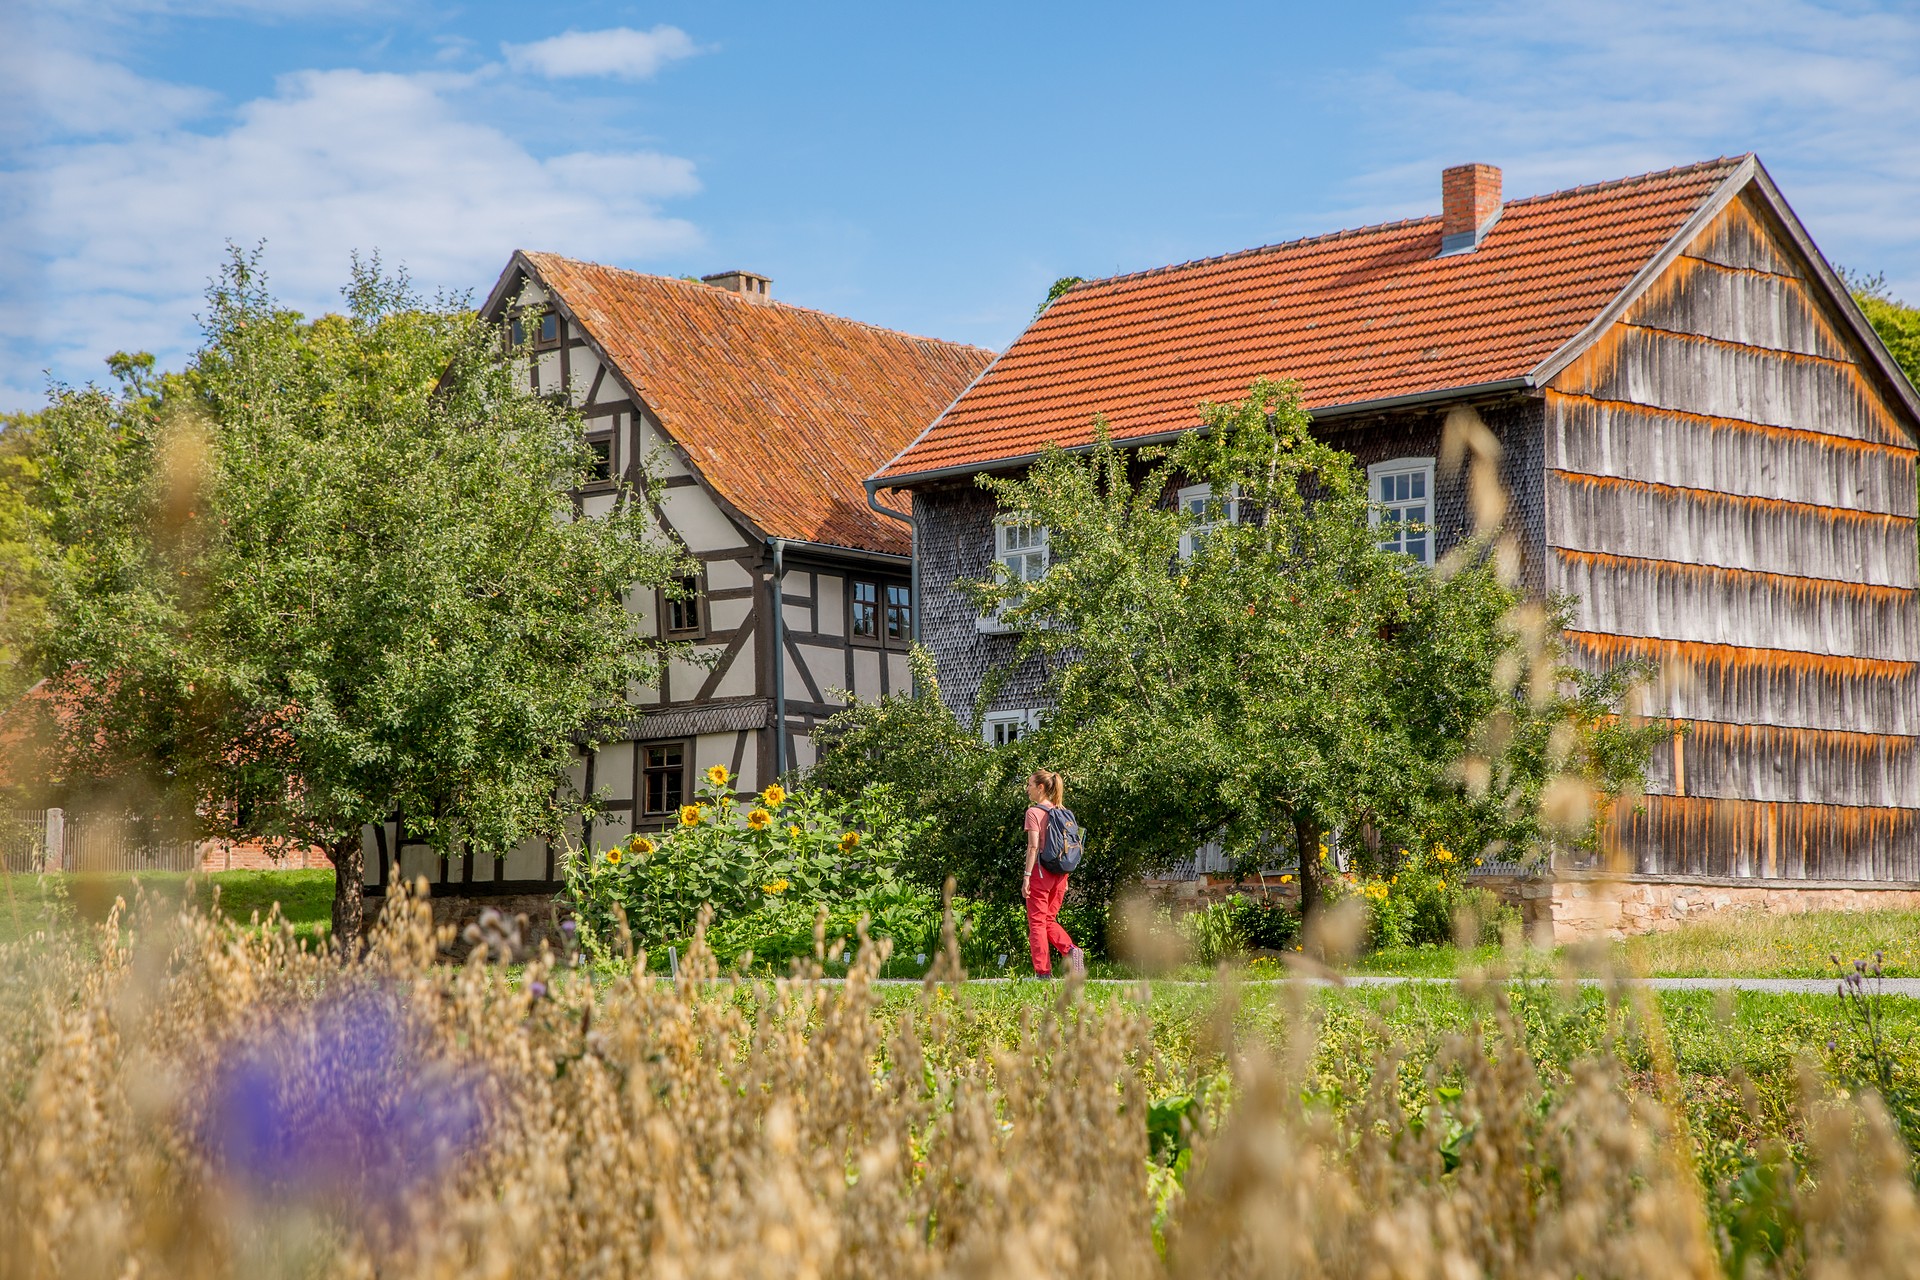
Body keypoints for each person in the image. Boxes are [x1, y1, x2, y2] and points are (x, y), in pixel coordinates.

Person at [1022, 769, 1085, 979]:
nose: (1027, 789)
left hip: (1041, 872)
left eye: (1030, 785)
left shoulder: (1033, 813)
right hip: (1061, 873)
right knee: (1048, 919)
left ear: (1041, 788)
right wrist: (1066, 878)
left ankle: (1043, 972)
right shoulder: (1062, 811)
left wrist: (1026, 876)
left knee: (1037, 922)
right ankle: (1072, 951)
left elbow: (1033, 847)